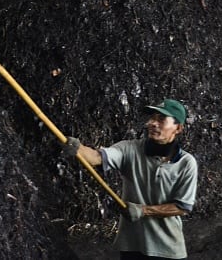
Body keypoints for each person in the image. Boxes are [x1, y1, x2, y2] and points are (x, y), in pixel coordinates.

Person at [63, 98, 198, 260]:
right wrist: (78, 148)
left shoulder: (186, 163)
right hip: (132, 245)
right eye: (152, 118)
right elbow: (96, 157)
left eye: (161, 119)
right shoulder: (129, 149)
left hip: (167, 248)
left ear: (178, 128)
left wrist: (143, 211)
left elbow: (182, 206)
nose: (153, 123)